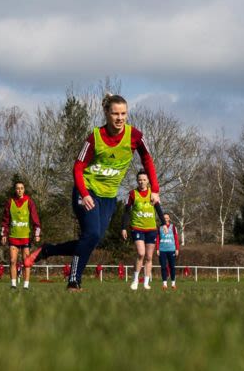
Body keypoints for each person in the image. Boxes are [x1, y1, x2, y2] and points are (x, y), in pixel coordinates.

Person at [25, 93, 161, 291]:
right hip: (86, 191)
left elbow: (147, 161)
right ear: (106, 113)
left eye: (123, 113)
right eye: (115, 114)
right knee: (91, 234)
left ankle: (47, 250)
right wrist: (85, 193)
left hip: (108, 197)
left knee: (92, 240)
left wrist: (155, 189)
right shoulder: (95, 137)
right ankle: (73, 281)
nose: (120, 118)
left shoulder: (135, 136)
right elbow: (78, 167)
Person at [121, 171, 165, 291]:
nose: (142, 182)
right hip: (137, 228)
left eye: (144, 180)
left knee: (149, 257)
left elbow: (159, 210)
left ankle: (146, 282)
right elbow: (126, 212)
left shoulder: (153, 194)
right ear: (137, 180)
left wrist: (164, 224)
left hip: (151, 228)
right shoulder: (132, 194)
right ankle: (135, 280)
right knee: (141, 253)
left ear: (148, 181)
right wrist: (124, 227)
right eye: (139, 179)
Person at [0, 178, 41, 289]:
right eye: (17, 188)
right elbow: (5, 220)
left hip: (25, 237)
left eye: (21, 188)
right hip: (13, 237)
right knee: (13, 260)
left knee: (26, 262)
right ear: (15, 190)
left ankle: (26, 286)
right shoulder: (10, 202)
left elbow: (35, 219)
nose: (19, 190)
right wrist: (3, 234)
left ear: (24, 190)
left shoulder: (29, 202)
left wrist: (37, 233)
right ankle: (13, 285)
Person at [156, 212, 180, 290]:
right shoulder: (159, 227)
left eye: (167, 218)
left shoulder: (173, 227)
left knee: (172, 267)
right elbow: (157, 239)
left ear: (169, 218)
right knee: (163, 267)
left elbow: (176, 238)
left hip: (171, 249)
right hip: (162, 250)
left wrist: (177, 249)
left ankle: (173, 283)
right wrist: (157, 249)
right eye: (164, 218)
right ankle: (164, 284)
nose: (165, 219)